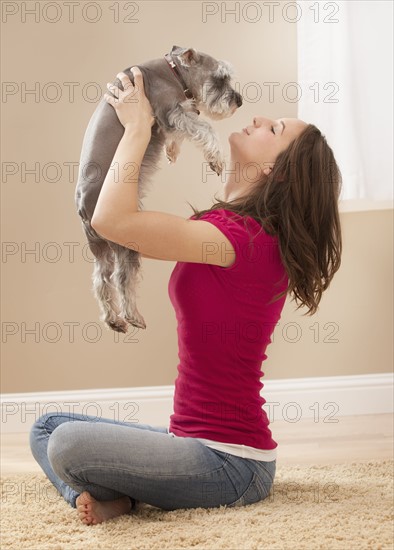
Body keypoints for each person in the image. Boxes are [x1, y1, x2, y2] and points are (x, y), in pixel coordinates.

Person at [29, 67, 343, 525]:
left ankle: (116, 492)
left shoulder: (241, 240)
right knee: (47, 428)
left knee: (67, 444)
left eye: (273, 129)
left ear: (276, 170)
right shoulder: (234, 229)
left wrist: (139, 125)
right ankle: (124, 496)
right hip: (190, 441)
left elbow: (111, 220)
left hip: (231, 463)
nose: (258, 120)